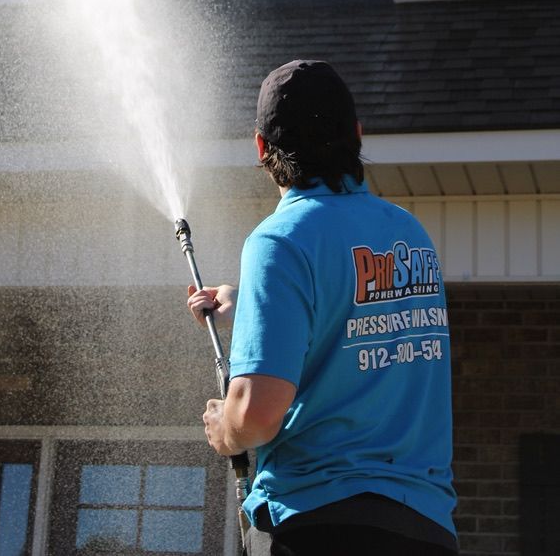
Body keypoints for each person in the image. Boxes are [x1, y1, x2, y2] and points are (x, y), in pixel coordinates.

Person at [188, 59, 457, 555]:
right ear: (357, 134)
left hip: (318, 525)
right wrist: (250, 308)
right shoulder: (408, 234)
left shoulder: (280, 240)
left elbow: (259, 412)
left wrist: (226, 427)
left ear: (262, 148)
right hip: (425, 529)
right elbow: (361, 320)